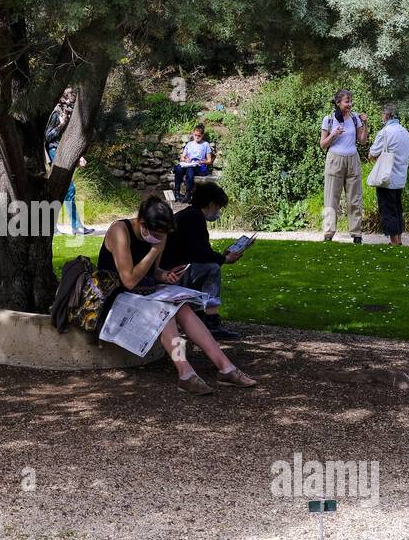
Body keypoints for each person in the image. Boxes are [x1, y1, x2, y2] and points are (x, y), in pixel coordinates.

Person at [94, 196, 256, 395]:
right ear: (143, 223)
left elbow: (153, 272)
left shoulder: (158, 234)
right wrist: (155, 250)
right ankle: (185, 372)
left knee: (183, 307)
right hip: (116, 295)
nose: (160, 238)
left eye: (163, 234)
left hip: (143, 293)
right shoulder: (120, 231)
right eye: (156, 234)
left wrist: (165, 275)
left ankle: (225, 367)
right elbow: (128, 280)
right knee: (166, 314)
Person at [159, 181, 244, 340]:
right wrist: (224, 259)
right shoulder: (195, 217)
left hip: (170, 270)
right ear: (211, 204)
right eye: (218, 207)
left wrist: (220, 256)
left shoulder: (189, 215)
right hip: (171, 274)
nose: (218, 212)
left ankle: (198, 318)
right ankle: (211, 322)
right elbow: (201, 254)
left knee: (208, 266)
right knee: (212, 269)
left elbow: (197, 251)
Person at [319, 89, 368, 243]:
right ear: (338, 103)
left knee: (354, 199)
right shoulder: (328, 119)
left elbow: (362, 140)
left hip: (352, 159)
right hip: (334, 160)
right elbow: (322, 144)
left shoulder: (355, 118)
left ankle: (356, 234)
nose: (350, 104)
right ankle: (328, 233)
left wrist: (365, 123)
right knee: (331, 198)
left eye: (350, 101)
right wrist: (334, 134)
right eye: (347, 101)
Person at [44, 87, 93, 235]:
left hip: (63, 151)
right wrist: (61, 124)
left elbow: (70, 139)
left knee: (63, 190)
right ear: (64, 98)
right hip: (55, 152)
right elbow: (48, 137)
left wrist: (79, 156)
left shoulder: (70, 114)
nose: (73, 99)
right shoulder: (56, 114)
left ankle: (64, 226)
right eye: (70, 96)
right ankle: (74, 226)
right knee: (67, 189)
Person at [367, 105, 409, 245]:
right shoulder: (404, 132)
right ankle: (399, 239)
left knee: (388, 209)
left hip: (386, 177)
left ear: (386, 116)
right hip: (400, 177)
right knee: (398, 208)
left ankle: (393, 241)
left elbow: (372, 153)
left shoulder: (385, 132)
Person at [171, 123, 215, 202]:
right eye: (195, 135)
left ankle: (188, 194)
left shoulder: (205, 144)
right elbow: (182, 157)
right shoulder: (189, 144)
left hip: (198, 166)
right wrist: (185, 159)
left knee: (190, 169)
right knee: (178, 169)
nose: (197, 137)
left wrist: (202, 161)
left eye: (199, 136)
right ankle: (177, 193)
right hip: (188, 164)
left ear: (202, 135)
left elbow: (209, 160)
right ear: (193, 134)